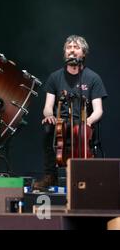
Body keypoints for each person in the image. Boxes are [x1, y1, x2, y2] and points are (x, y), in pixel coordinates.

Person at [33, 35, 107, 190]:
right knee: (47, 128)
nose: (72, 50)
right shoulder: (55, 77)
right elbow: (47, 107)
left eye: (76, 47)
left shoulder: (93, 78)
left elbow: (98, 109)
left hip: (82, 121)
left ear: (84, 53)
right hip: (60, 122)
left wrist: (89, 120)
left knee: (82, 131)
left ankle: (85, 178)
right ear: (65, 53)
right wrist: (49, 116)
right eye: (69, 47)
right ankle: (50, 176)